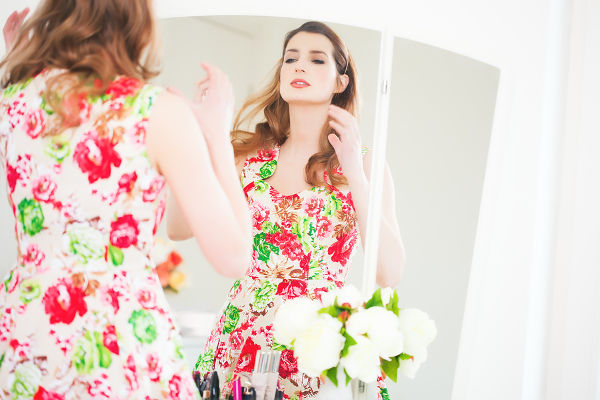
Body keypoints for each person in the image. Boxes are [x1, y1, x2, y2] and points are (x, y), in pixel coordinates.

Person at [0, 1, 251, 398]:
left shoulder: (12, 104)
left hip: (28, 333)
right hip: (120, 338)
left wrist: (22, 65)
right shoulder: (154, 111)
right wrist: (217, 134)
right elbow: (234, 257)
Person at [168, 21, 406, 399]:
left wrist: (356, 177)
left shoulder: (365, 165)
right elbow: (179, 228)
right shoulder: (245, 155)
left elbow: (389, 272)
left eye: (316, 60)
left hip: (320, 346)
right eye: (291, 58)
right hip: (241, 339)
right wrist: (195, 143)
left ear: (340, 82)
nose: (299, 66)